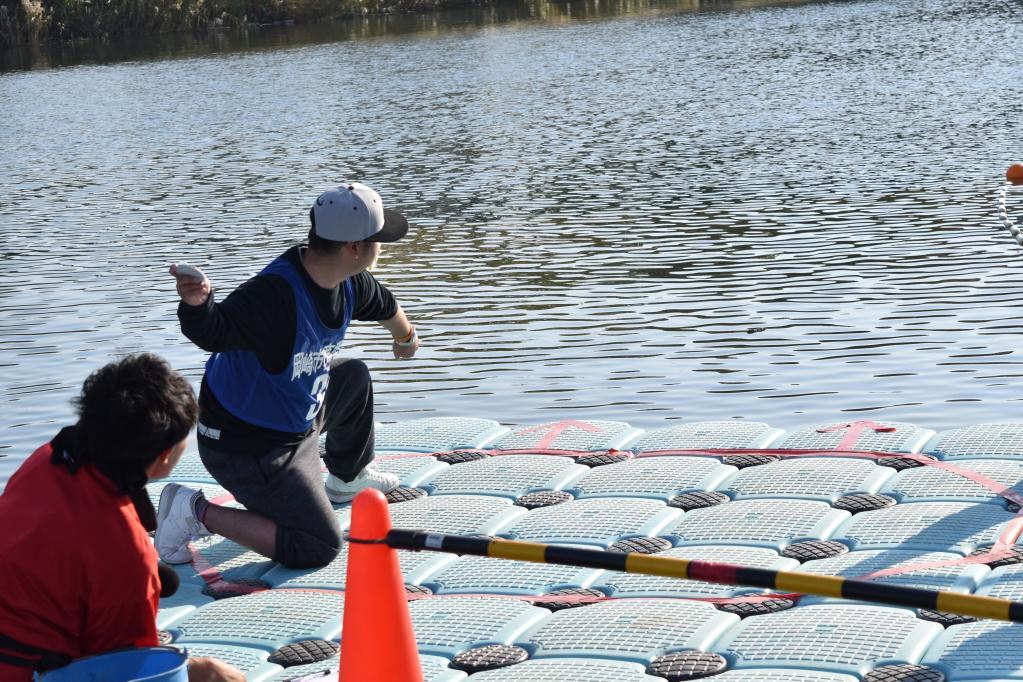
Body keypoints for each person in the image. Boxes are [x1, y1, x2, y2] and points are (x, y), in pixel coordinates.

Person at [159, 181, 420, 570]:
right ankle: (191, 510)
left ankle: (347, 479)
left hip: (293, 419)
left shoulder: (349, 280)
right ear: (354, 248)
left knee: (351, 376)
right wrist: (198, 304)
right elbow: (214, 331)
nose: (382, 246)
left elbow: (386, 306)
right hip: (247, 445)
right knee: (317, 545)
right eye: (378, 239)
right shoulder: (274, 296)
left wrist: (407, 338)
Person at [0, 353, 243, 681]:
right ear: (164, 456)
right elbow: (124, 669)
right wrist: (200, 671)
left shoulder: (49, 458)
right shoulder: (126, 554)